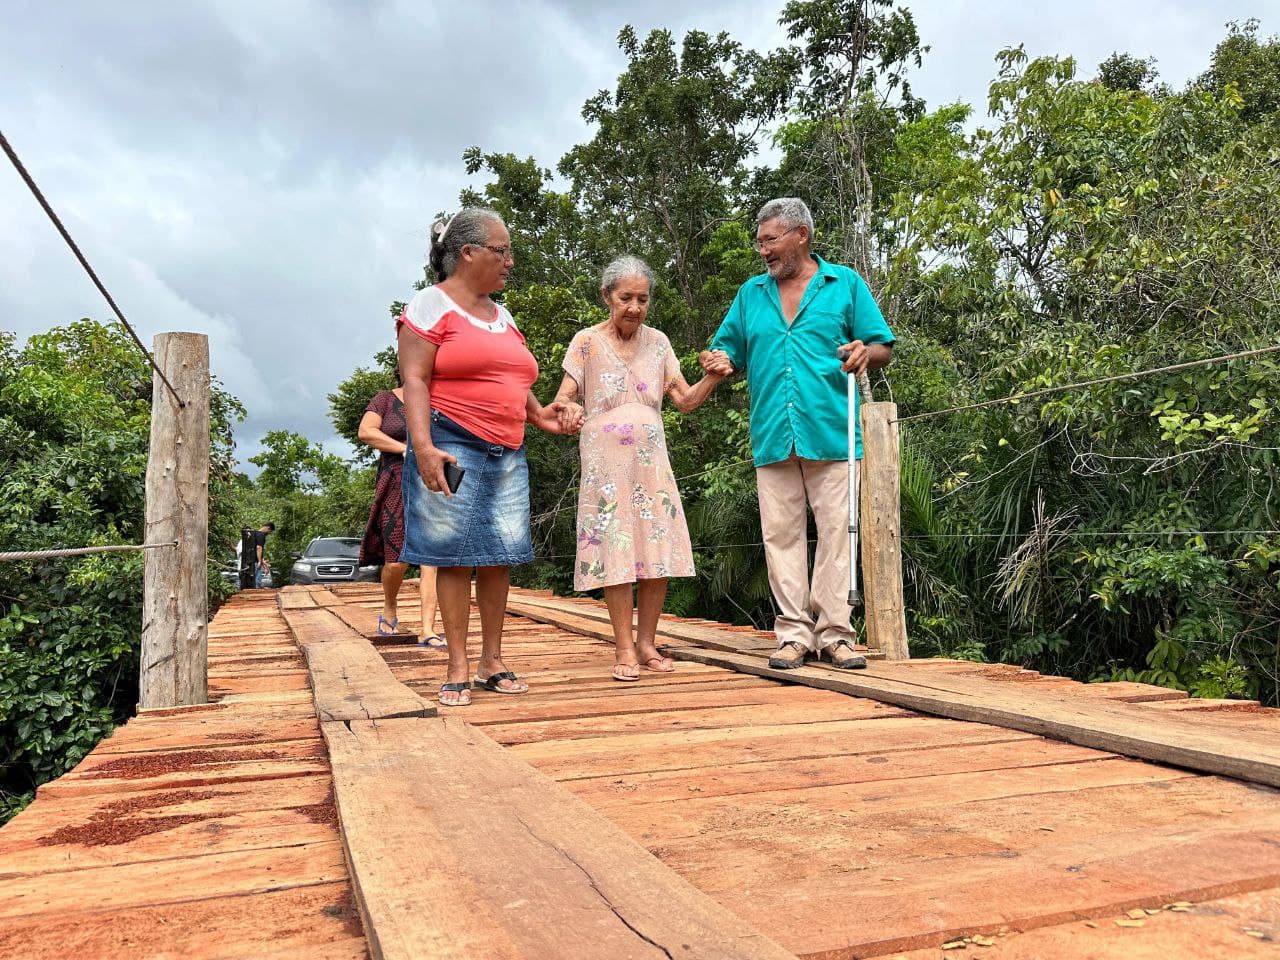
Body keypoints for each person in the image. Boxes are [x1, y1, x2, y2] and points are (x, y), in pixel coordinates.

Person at [397, 207, 583, 707]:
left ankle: (491, 660)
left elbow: (517, 381)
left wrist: (548, 415)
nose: (510, 262)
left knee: (500, 555)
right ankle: (457, 663)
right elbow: (414, 379)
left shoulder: (503, 315)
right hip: (450, 440)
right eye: (501, 251)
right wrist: (423, 449)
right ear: (468, 253)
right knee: (455, 556)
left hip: (508, 448)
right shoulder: (429, 305)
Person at [700, 197, 895, 671]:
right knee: (780, 536)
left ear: (801, 236)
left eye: (770, 240)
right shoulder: (751, 294)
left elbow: (881, 344)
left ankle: (835, 636)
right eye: (759, 241)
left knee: (835, 534)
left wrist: (864, 352)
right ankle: (792, 635)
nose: (762, 250)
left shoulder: (844, 284)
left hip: (831, 428)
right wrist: (718, 360)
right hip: (773, 432)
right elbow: (724, 348)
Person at [553, 256, 725, 681]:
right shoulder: (586, 342)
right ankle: (624, 647)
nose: (634, 306)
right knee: (616, 544)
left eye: (642, 299)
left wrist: (715, 377)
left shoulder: (659, 343)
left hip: (651, 462)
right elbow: (565, 396)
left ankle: (648, 642)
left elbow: (684, 400)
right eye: (625, 297)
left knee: (655, 545)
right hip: (605, 464)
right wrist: (570, 409)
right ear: (607, 297)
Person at [357, 370, 442, 646]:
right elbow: (366, 431)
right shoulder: (385, 400)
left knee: (431, 559)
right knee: (397, 561)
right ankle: (390, 604)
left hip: (431, 481)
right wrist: (405, 449)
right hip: (395, 481)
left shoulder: (440, 402)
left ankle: (427, 629)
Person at [253, 522, 275, 588]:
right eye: (269, 532)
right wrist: (259, 561)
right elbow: (258, 548)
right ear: (268, 528)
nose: (268, 534)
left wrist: (263, 564)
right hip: (256, 562)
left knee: (253, 580)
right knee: (257, 581)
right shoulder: (261, 535)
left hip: (252, 561)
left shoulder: (254, 533)